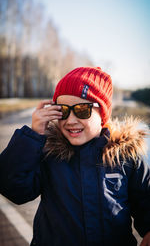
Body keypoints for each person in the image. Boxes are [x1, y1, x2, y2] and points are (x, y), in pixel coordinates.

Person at [0, 66, 150, 246]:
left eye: (82, 109)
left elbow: (146, 206)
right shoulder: (48, 153)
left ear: (102, 114)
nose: (70, 120)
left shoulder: (125, 155)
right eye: (62, 110)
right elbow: (13, 189)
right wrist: (33, 136)